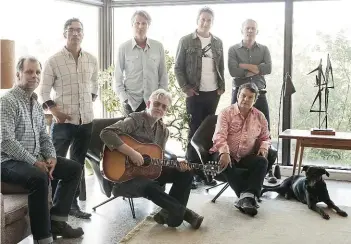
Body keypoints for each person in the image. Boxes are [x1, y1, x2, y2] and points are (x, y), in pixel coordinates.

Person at [1, 56, 84, 244]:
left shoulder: (37, 105)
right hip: (7, 162)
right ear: (18, 74)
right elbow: (6, 141)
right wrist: (34, 162)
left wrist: (52, 157)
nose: (34, 76)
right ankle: (43, 239)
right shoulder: (7, 102)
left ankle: (57, 222)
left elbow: (44, 136)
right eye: (29, 72)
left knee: (74, 168)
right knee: (38, 177)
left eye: (37, 72)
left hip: (33, 159)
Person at [100, 89, 204, 229]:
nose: (160, 108)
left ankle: (168, 215)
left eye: (164, 106)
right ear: (148, 103)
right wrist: (131, 153)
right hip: (123, 177)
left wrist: (176, 165)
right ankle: (184, 214)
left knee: (186, 173)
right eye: (156, 104)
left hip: (145, 172)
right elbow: (106, 133)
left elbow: (156, 158)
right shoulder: (136, 120)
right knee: (149, 186)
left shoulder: (164, 131)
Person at [37, 18, 98, 219]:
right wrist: (56, 113)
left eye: (78, 30)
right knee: (55, 165)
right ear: (65, 34)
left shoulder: (91, 59)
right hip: (63, 124)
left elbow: (94, 86)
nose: (75, 33)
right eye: (71, 30)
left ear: (83, 34)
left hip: (86, 122)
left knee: (78, 166)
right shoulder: (53, 61)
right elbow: (43, 91)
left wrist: (87, 105)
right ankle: (51, 208)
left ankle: (71, 207)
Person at [174, 7, 224, 187]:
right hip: (195, 93)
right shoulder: (186, 41)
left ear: (212, 22)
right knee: (194, 131)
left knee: (208, 133)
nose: (205, 22)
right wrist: (185, 88)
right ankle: (192, 172)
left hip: (213, 92)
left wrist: (221, 86)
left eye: (209, 20)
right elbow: (178, 67)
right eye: (203, 19)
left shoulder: (217, 42)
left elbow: (221, 66)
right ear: (198, 20)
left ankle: (206, 172)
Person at [210, 83, 271, 217]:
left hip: (246, 156)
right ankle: (248, 197)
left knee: (262, 162)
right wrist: (224, 152)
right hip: (223, 152)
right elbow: (219, 136)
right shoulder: (226, 113)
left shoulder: (260, 116)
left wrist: (263, 147)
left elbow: (266, 137)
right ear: (238, 96)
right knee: (225, 162)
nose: (246, 99)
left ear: (254, 100)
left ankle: (246, 197)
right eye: (243, 95)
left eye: (250, 97)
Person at [114, 10, 168, 116]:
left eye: (144, 23)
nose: (140, 26)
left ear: (148, 26)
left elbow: (163, 75)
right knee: (130, 133)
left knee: (153, 132)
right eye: (137, 23)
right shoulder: (124, 48)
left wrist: (161, 99)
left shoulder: (158, 47)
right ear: (132, 25)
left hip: (153, 103)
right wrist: (124, 99)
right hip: (131, 102)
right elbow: (117, 77)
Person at [228, 19, 272, 130]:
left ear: (257, 31)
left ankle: (264, 148)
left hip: (259, 92)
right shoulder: (233, 49)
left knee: (264, 127)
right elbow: (233, 71)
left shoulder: (264, 49)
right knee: (235, 127)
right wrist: (257, 68)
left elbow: (268, 69)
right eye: (247, 28)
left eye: (253, 28)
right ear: (242, 30)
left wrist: (243, 66)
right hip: (239, 93)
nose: (250, 30)